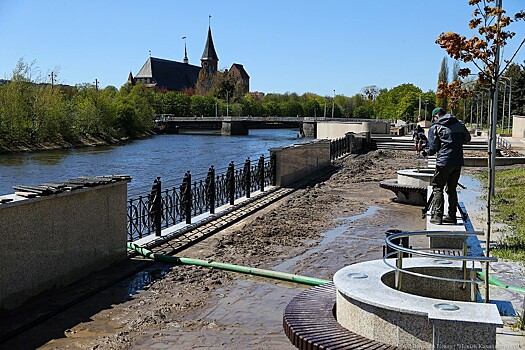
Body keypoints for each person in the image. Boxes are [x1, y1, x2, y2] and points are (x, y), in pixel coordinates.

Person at [422, 107, 471, 225]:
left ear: (436, 116)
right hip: (457, 161)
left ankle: (438, 216)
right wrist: (455, 143)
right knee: (451, 189)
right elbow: (467, 138)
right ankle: (452, 216)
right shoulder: (459, 124)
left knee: (438, 187)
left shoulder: (435, 127)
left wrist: (426, 152)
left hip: (443, 162)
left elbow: (433, 149)